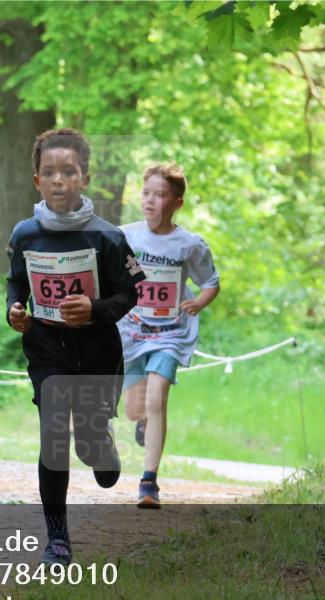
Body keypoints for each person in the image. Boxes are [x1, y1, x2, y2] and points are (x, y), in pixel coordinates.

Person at [6, 128, 145, 566]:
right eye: (49, 172)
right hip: (47, 350)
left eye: (68, 172)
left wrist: (94, 309)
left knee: (89, 450)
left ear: (84, 178)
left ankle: (99, 441)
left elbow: (131, 294)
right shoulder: (25, 235)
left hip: (98, 354)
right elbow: (15, 283)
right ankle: (57, 540)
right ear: (37, 181)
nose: (59, 180)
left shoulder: (108, 237)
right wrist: (14, 310)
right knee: (52, 435)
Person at [117, 163, 220, 509]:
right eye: (146, 193)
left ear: (177, 203)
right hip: (132, 332)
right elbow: (115, 271)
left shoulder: (189, 245)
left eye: (159, 195)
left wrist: (199, 303)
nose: (149, 200)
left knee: (157, 398)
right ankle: (144, 421)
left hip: (170, 334)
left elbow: (211, 283)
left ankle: (149, 483)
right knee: (135, 409)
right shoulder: (126, 237)